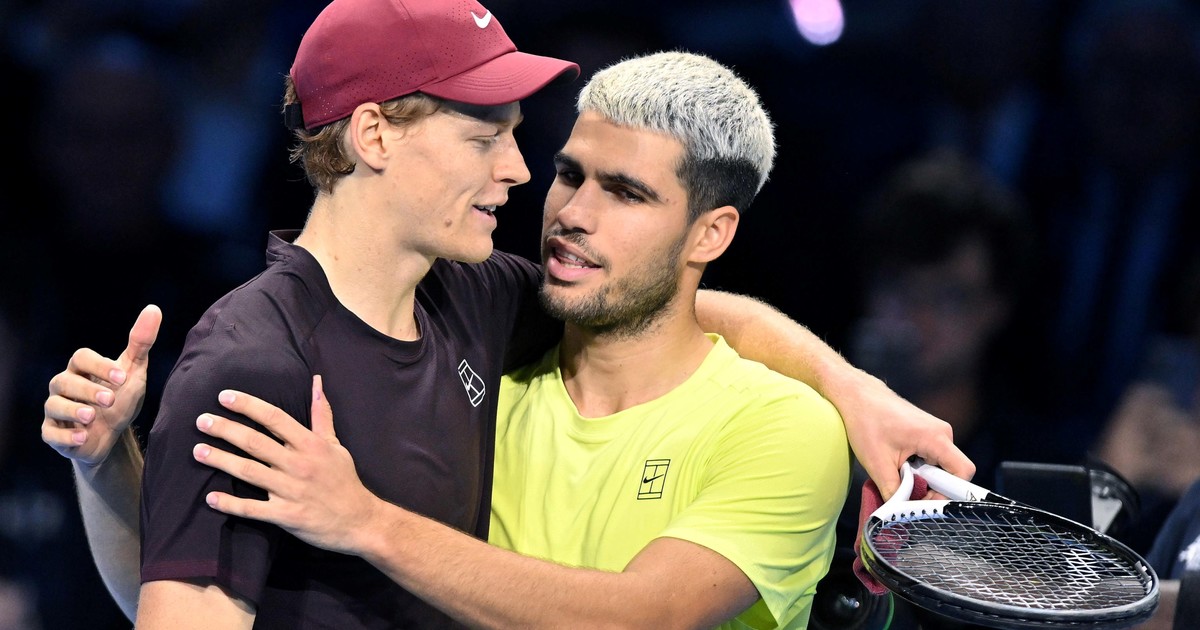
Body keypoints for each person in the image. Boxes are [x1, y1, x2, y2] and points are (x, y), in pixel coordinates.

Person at [40, 0, 972, 626]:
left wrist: (852, 387)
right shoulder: (254, 361)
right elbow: (180, 596)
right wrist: (106, 468)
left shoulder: (477, 305)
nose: (531, 182)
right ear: (374, 135)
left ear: (711, 231)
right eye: (489, 137)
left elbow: (671, 311)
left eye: (623, 191)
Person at [188, 49, 849, 628]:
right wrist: (128, 469)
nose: (574, 214)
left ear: (710, 234)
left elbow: (646, 617)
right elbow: (216, 588)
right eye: (571, 175)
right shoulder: (475, 378)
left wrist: (367, 522)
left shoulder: (784, 426)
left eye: (626, 194)